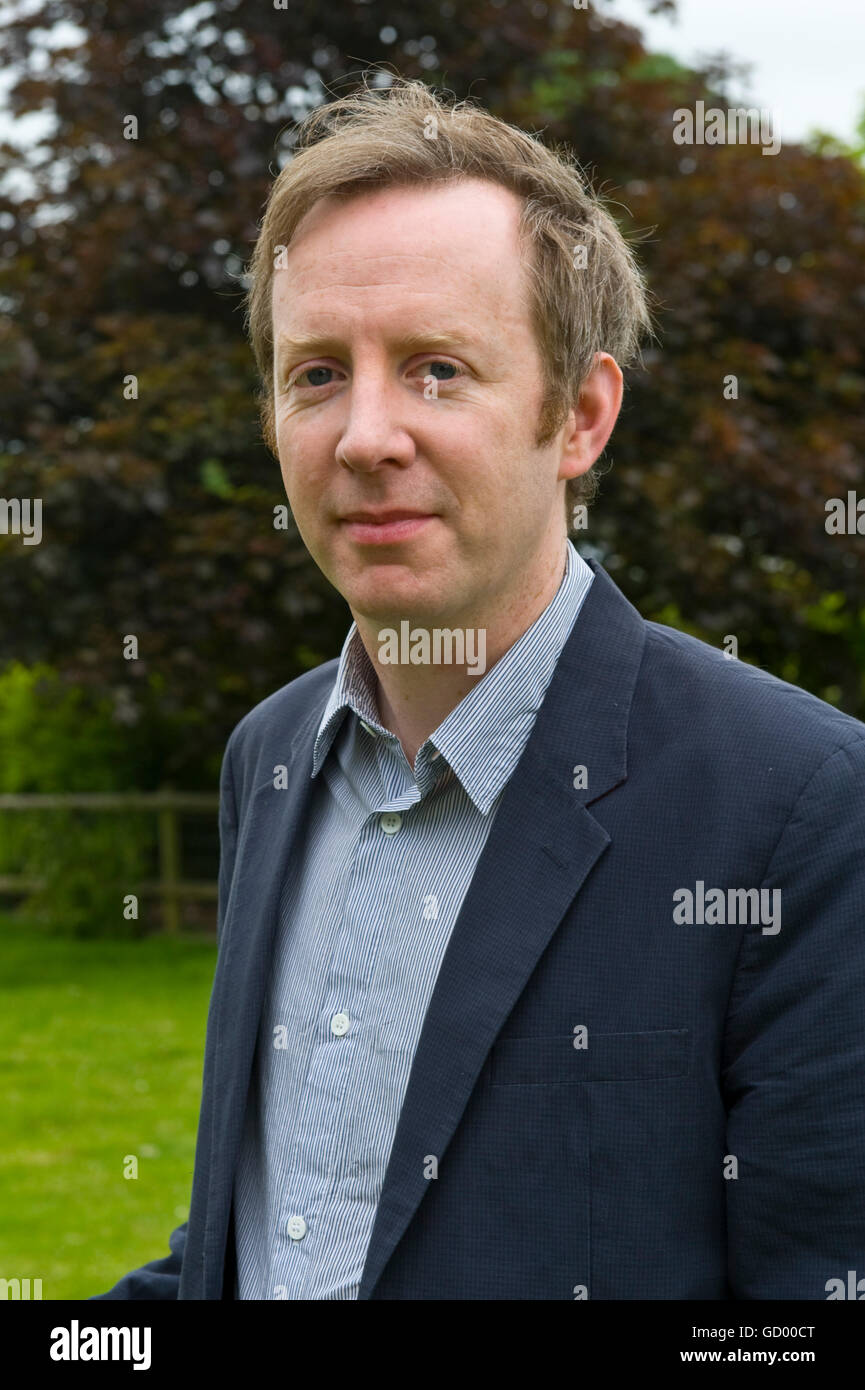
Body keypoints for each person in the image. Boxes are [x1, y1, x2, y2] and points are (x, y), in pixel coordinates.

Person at [93, 77, 865, 1301]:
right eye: (315, 375)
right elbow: (270, 1238)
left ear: (581, 415)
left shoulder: (799, 807)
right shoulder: (270, 757)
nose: (365, 435)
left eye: (437, 368)